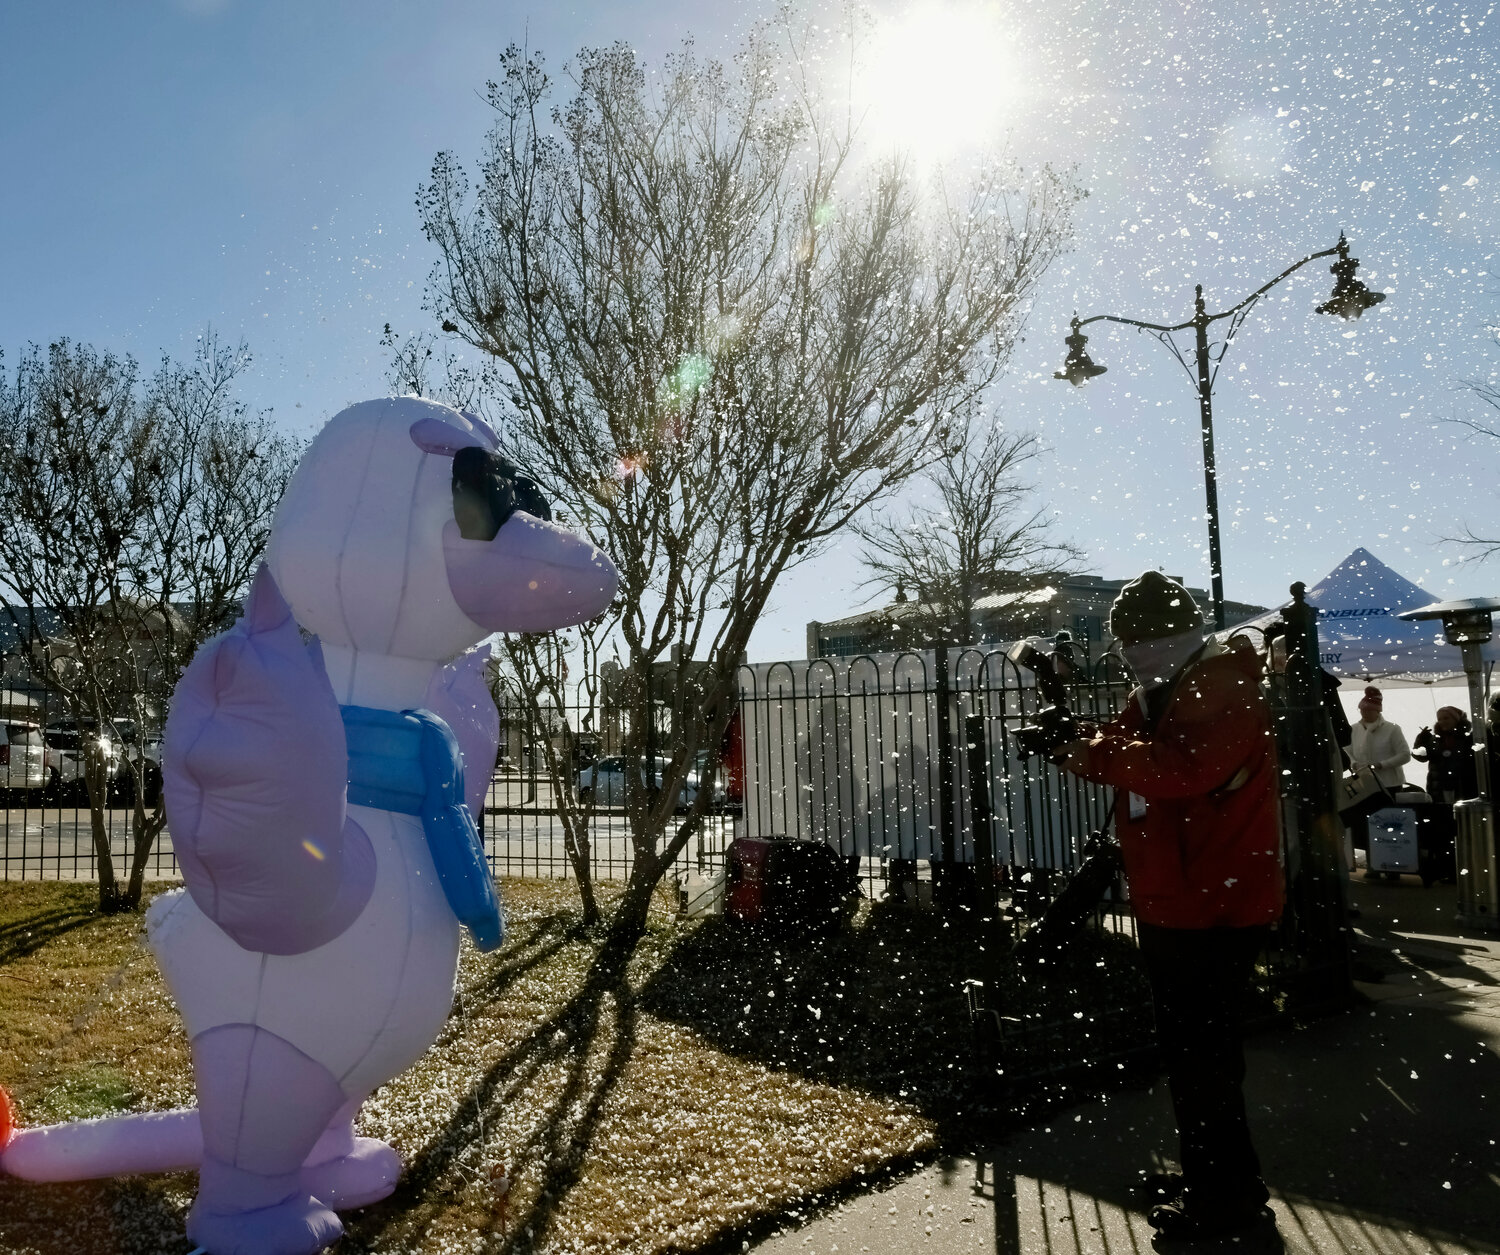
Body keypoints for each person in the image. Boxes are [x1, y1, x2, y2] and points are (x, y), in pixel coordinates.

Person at [1054, 571, 1281, 1242]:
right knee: (1198, 1057)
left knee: (1202, 1059)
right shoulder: (1165, 689)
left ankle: (1223, 1207)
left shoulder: (1220, 688)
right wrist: (1073, 738)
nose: (1125, 653)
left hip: (1212, 903)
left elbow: (1177, 769)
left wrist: (1084, 752)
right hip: (1182, 897)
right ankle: (1222, 1185)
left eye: (1134, 640)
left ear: (1169, 637)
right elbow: (1134, 753)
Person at [1348, 686, 1410, 791]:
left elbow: (1405, 755)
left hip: (1390, 784)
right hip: (1363, 784)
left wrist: (1381, 765)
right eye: (1362, 710)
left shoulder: (1392, 729)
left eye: (1368, 710)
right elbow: (1346, 752)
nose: (1364, 713)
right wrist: (1354, 763)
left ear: (1378, 711)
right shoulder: (1353, 729)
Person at [1412, 706, 1477, 804]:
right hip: (1438, 789)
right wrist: (1421, 740)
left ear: (1456, 719)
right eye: (1439, 719)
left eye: (1446, 718)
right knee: (1443, 816)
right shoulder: (1434, 740)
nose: (1442, 721)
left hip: (1464, 787)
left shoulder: (1468, 739)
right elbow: (1421, 757)